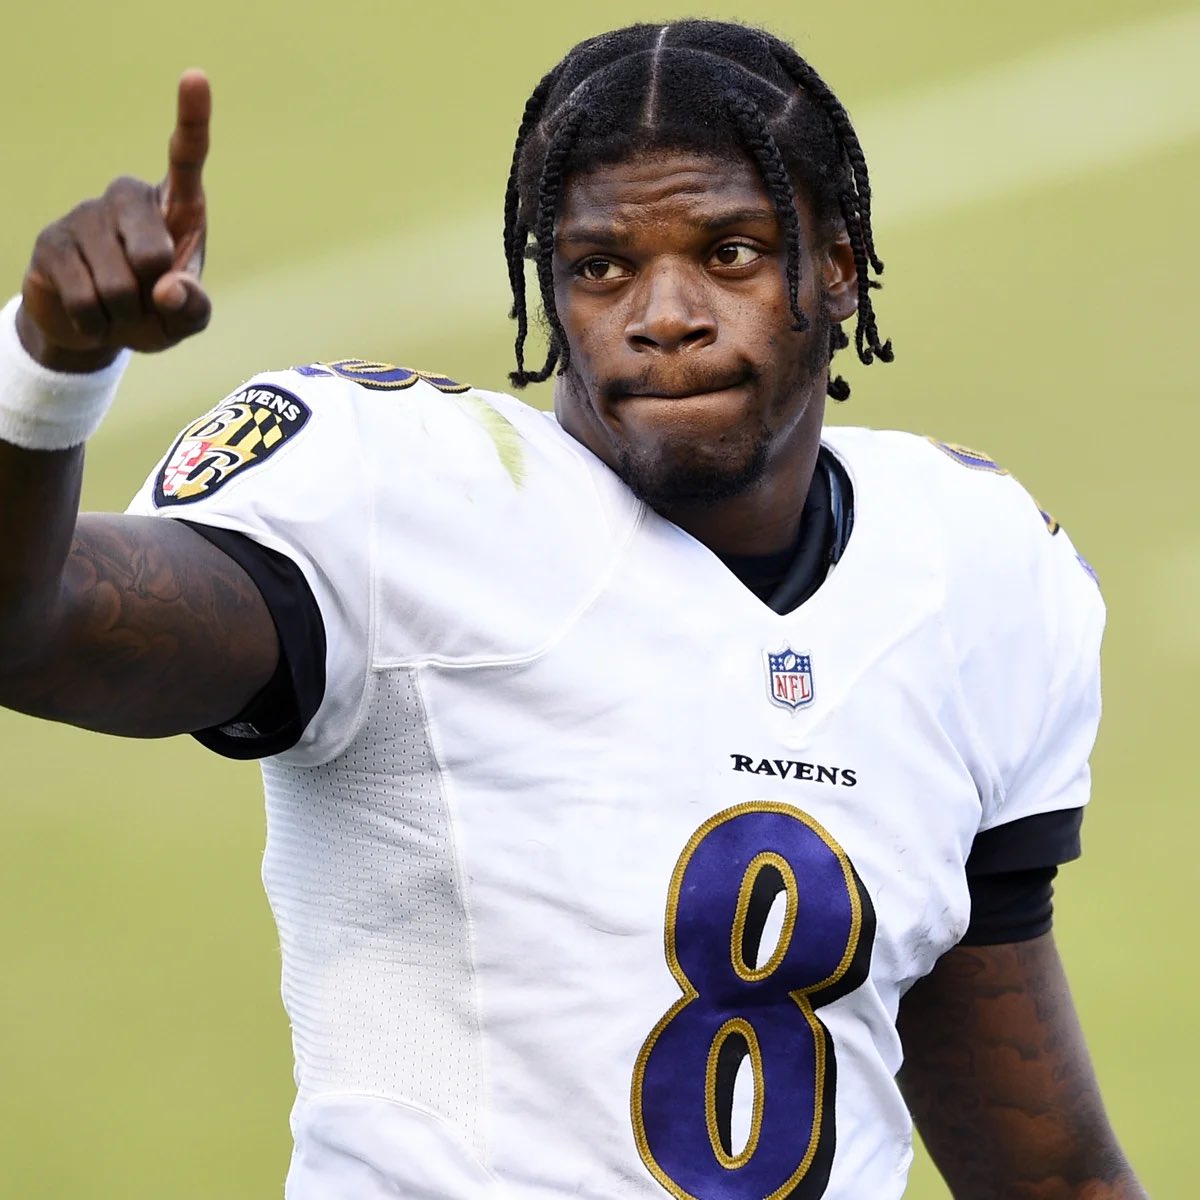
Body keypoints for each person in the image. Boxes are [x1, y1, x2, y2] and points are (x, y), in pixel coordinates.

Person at [0, 19, 1146, 1200]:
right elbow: (35, 628)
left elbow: (1047, 1169)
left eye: (732, 253)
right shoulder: (408, 503)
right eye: (601, 267)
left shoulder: (971, 570)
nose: (666, 314)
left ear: (840, 269)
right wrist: (45, 375)